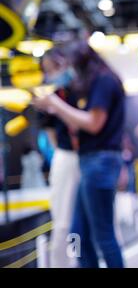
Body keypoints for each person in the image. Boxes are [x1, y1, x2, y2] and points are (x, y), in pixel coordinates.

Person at [33, 40, 126, 268]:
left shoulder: (103, 81)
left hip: (99, 162)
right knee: (81, 234)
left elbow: (94, 124)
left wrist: (55, 104)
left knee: (102, 235)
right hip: (92, 162)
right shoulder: (97, 82)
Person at [39, 47, 80, 268]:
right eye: (48, 69)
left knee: (83, 220)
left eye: (53, 67)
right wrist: (59, 153)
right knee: (63, 220)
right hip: (66, 157)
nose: (51, 73)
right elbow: (49, 131)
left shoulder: (78, 89)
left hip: (85, 157)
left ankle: (81, 261)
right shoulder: (52, 96)